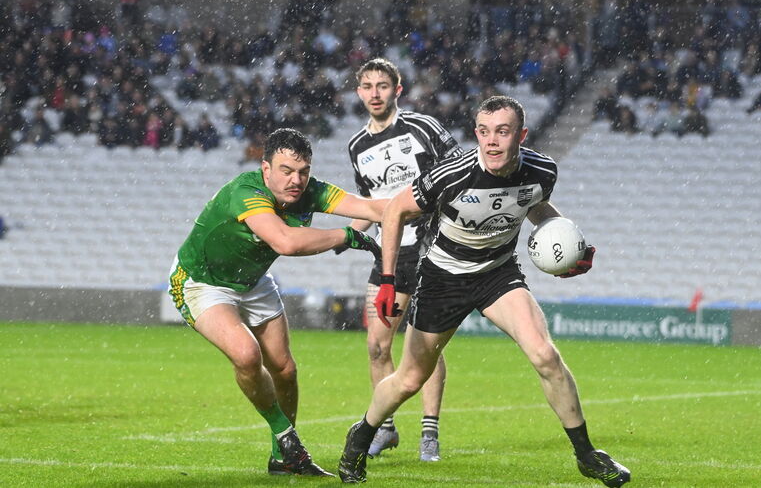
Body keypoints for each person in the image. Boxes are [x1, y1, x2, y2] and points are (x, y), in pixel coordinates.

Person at [338, 96, 630, 487]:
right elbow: (394, 210)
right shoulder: (452, 174)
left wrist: (571, 244)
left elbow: (534, 205)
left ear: (521, 136)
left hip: (497, 273)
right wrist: (388, 279)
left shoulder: (543, 170)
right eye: (484, 131)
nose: (491, 141)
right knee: (410, 379)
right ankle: (361, 435)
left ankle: (586, 455)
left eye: (502, 132)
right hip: (442, 278)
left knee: (545, 355)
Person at [168, 128, 387, 477]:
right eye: (286, 170)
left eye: (303, 171)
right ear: (266, 168)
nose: (295, 180)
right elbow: (285, 242)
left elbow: (371, 207)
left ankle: (282, 459)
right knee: (246, 355)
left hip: (253, 281)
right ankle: (286, 436)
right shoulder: (246, 191)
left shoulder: (310, 191)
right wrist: (346, 235)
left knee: (285, 370)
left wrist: (420, 203)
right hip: (202, 282)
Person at [342, 58, 462, 462]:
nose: (374, 93)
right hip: (389, 254)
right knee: (377, 346)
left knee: (425, 345)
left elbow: (459, 172)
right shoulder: (357, 146)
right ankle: (386, 428)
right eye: (367, 86)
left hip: (430, 249)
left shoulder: (422, 127)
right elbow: (371, 204)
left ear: (398, 89)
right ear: (359, 92)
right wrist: (346, 234)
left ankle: (430, 432)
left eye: (382, 85)